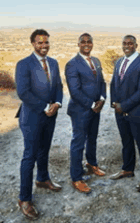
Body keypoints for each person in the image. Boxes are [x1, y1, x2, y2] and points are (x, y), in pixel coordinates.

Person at [15, 29, 63, 220]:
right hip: (32, 117)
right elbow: (23, 93)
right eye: (40, 43)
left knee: (44, 150)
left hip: (50, 116)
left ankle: (42, 179)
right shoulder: (24, 64)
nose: (44, 46)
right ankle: (24, 199)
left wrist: (57, 104)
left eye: (46, 42)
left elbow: (58, 86)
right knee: (30, 156)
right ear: (33, 43)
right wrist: (45, 106)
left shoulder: (53, 63)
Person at [110, 35, 140, 192]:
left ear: (136, 45)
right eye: (124, 43)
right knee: (126, 141)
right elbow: (114, 83)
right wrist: (114, 103)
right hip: (120, 111)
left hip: (136, 111)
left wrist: (125, 106)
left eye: (130, 43)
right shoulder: (119, 62)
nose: (127, 46)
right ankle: (127, 169)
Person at [65, 33, 106, 194]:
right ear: (78, 44)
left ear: (92, 44)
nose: (87, 44)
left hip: (96, 108)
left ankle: (91, 164)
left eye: (89, 42)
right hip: (80, 110)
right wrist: (91, 105)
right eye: (83, 42)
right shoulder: (72, 64)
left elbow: (102, 82)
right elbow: (74, 91)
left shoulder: (96, 61)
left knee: (93, 138)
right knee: (78, 143)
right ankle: (76, 178)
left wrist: (102, 99)